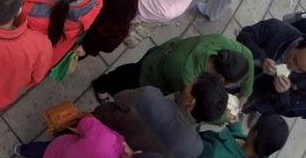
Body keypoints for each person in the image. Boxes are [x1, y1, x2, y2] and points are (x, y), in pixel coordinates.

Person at [92, 74, 229, 158]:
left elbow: (119, 98)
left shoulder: (150, 96)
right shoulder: (193, 149)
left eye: (191, 84)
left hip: (96, 131)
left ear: (191, 102)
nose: (187, 84)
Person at [92, 33, 254, 101]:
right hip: (151, 73)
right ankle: (101, 85)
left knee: (129, 71)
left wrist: (246, 92)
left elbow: (248, 55)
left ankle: (107, 83)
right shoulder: (186, 76)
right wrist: (225, 117)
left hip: (162, 52)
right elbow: (190, 101)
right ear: (221, 79)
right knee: (128, 78)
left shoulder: (223, 43)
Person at [7, 117, 159, 158]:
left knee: (37, 150)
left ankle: (21, 149)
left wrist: (121, 142)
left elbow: (85, 123)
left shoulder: (107, 142)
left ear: (138, 155)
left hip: (57, 151)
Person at [175, 113, 289, 158]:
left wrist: (202, 116)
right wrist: (235, 125)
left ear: (255, 133)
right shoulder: (261, 152)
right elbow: (241, 142)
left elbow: (187, 141)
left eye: (256, 123)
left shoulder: (214, 153)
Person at [237, 18, 306, 117]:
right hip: (235, 68)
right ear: (297, 44)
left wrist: (283, 94)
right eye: (294, 59)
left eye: (300, 70)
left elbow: (286, 109)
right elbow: (243, 36)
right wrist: (261, 58)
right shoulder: (277, 29)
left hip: (256, 96)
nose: (292, 68)